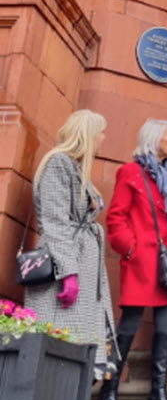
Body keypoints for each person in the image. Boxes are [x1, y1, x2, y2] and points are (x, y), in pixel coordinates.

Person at [97, 119, 167, 400]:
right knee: (129, 325)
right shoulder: (131, 172)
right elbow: (116, 218)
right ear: (154, 138)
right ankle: (108, 390)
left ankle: (158, 393)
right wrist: (130, 249)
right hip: (142, 261)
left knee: (166, 326)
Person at [24, 109, 119, 382]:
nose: (103, 138)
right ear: (87, 135)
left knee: (77, 352)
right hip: (64, 265)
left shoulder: (76, 169)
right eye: (100, 132)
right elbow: (55, 221)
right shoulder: (58, 163)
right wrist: (68, 273)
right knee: (59, 349)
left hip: (83, 264)